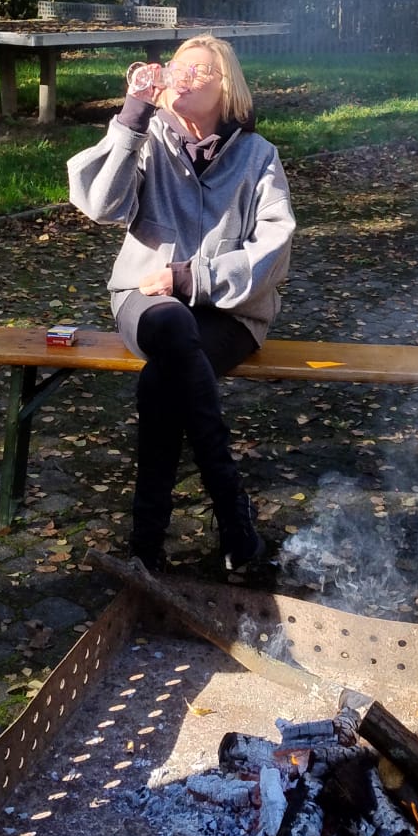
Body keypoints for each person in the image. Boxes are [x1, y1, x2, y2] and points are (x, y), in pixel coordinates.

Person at [67, 35, 294, 574]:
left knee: (161, 380)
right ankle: (234, 518)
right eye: (177, 67)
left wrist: (192, 278)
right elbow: (100, 204)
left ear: (227, 88)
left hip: (231, 312)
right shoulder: (147, 139)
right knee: (171, 327)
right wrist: (131, 116)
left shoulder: (259, 156)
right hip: (145, 299)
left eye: (199, 70)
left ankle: (146, 545)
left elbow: (274, 249)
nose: (182, 76)